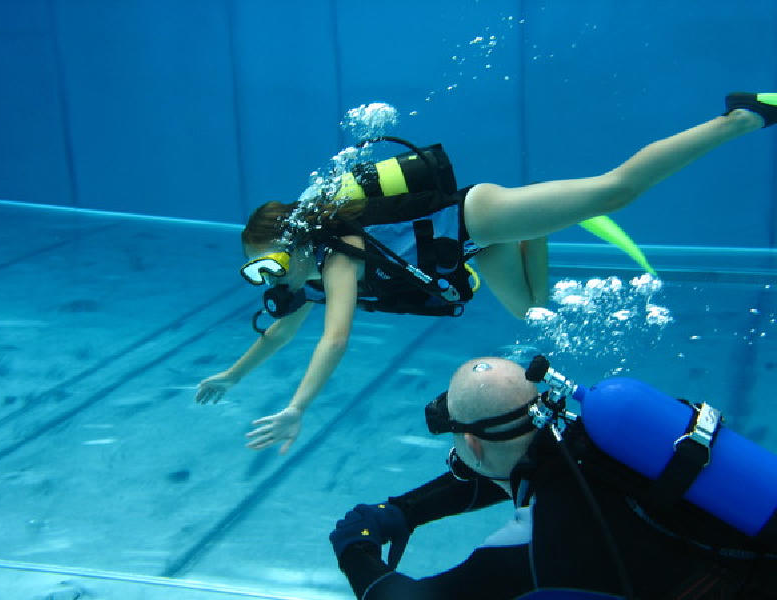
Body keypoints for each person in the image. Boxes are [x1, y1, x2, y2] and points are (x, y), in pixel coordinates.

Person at [196, 92, 777, 454]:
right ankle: (537, 225)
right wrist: (232, 374)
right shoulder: (309, 274)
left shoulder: (340, 252)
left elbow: (336, 337)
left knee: (614, 190)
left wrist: (297, 407)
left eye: (271, 264)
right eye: (257, 273)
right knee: (534, 313)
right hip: (474, 247)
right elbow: (284, 329)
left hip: (477, 215)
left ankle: (743, 116)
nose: (270, 279)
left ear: (297, 245)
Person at [329, 356, 777, 599]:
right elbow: (513, 469)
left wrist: (356, 548)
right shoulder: (612, 441)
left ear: (472, 444)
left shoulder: (531, 540)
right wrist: (408, 510)